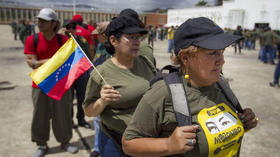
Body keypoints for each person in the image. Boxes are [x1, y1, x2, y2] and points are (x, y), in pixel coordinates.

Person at [122, 17, 258, 157]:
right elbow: (129, 143)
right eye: (212, 53)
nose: (222, 61)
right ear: (185, 57)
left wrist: (241, 122)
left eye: (222, 52)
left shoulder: (221, 84)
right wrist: (168, 145)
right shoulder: (163, 93)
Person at [83, 15, 156, 157]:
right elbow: (88, 111)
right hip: (115, 142)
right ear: (113, 41)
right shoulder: (101, 72)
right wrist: (102, 101)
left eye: (138, 37)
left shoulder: (145, 62)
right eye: (131, 37)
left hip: (146, 138)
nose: (137, 42)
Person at [24, 8, 78, 157]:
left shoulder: (63, 40)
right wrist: (55, 60)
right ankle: (41, 144)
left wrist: (40, 62)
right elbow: (31, 63)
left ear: (53, 23)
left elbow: (68, 61)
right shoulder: (32, 39)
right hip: (40, 84)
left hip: (59, 84)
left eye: (44, 21)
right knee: (40, 115)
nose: (39, 23)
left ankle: (65, 141)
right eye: (39, 20)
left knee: (62, 115)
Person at [63, 20, 91, 129]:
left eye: (73, 27)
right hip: (67, 74)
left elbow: (88, 55)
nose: (71, 29)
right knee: (68, 100)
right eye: (68, 27)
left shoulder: (81, 40)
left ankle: (81, 119)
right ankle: (69, 120)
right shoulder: (61, 40)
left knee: (82, 98)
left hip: (80, 74)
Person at [89, 21, 110, 157]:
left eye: (98, 35)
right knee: (97, 120)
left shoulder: (112, 48)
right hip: (99, 87)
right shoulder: (100, 46)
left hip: (108, 88)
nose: (96, 37)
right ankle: (97, 147)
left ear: (105, 35)